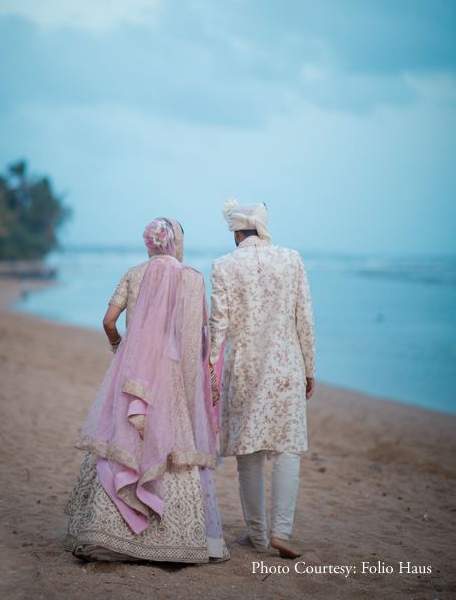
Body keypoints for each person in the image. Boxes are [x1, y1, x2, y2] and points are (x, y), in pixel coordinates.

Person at [64, 217, 229, 563]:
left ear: (150, 243)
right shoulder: (192, 279)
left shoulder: (133, 273)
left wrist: (118, 348)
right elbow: (195, 342)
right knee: (171, 446)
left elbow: (109, 321)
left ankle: (108, 533)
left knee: (125, 441)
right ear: (175, 242)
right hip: (170, 373)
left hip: (134, 373)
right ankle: (176, 539)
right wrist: (198, 386)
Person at [208, 200, 315, 559]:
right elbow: (305, 319)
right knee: (287, 449)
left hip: (243, 369)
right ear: (262, 228)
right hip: (286, 366)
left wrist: (210, 370)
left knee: (249, 455)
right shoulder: (292, 259)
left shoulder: (223, 265)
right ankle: (281, 533)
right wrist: (310, 368)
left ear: (237, 233)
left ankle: (256, 536)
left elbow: (217, 326)